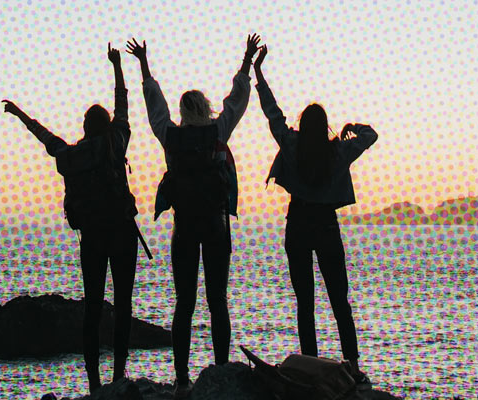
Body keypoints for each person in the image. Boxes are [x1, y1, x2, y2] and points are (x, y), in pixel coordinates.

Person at [125, 33, 260, 397]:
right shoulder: (219, 132)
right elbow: (238, 99)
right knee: (218, 299)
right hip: (216, 226)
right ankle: (218, 371)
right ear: (206, 108)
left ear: (184, 112)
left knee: (184, 302)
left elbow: (154, 105)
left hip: (183, 228)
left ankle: (182, 379)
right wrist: (246, 59)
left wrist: (144, 65)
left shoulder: (170, 136)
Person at [2, 44, 142, 394]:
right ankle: (119, 376)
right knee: (123, 305)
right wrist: (117, 67)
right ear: (107, 125)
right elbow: (123, 105)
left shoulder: (73, 156)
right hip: (123, 233)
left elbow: (46, 138)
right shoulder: (117, 143)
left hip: (92, 237)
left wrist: (20, 115)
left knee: (92, 308)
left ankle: (94, 383)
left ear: (85, 127)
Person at [253, 44, 377, 384]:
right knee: (340, 299)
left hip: (298, 224)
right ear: (325, 126)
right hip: (325, 225)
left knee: (304, 301)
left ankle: (308, 364)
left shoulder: (291, 144)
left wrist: (259, 72)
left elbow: (272, 113)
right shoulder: (339, 150)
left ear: (302, 124)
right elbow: (371, 136)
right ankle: (351, 364)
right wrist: (353, 125)